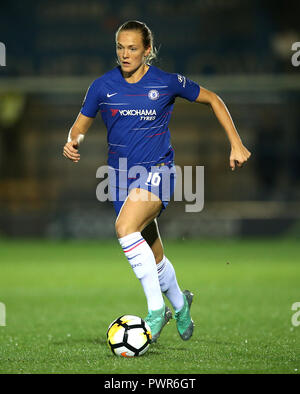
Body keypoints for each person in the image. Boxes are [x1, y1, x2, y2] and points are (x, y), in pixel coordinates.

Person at [63, 20, 251, 343]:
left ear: (147, 51)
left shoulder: (166, 83)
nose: (125, 54)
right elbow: (80, 125)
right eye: (120, 47)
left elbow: (214, 100)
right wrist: (73, 140)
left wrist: (236, 143)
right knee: (154, 254)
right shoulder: (101, 86)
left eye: (133, 48)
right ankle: (180, 305)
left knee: (124, 229)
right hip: (120, 179)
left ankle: (154, 310)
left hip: (158, 172)